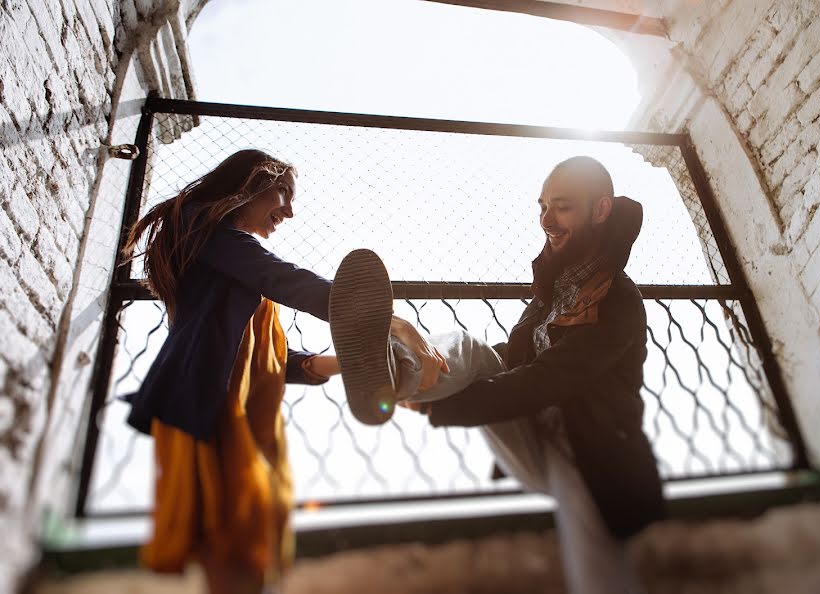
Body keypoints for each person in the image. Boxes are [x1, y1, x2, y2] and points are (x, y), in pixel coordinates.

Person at [330, 156, 664, 594]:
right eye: (542, 206)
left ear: (600, 210)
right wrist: (442, 387)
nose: (546, 219)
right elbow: (516, 360)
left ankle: (412, 382)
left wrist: (441, 408)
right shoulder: (554, 292)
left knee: (599, 576)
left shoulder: (619, 300)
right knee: (473, 349)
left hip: (591, 455)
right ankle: (399, 369)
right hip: (529, 434)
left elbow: (548, 380)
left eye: (562, 206)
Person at [122, 149, 446, 594]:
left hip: (248, 414)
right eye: (284, 193)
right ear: (251, 183)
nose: (289, 212)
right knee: (233, 547)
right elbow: (288, 280)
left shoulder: (233, 264)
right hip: (207, 408)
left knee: (256, 541)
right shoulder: (202, 228)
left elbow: (264, 354)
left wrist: (341, 362)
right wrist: (400, 325)